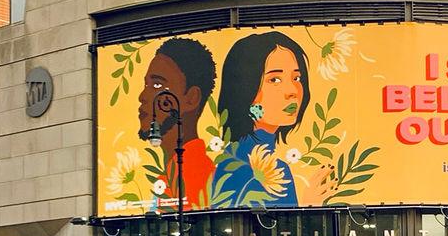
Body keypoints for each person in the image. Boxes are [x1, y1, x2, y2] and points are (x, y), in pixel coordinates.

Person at [210, 31, 334, 208]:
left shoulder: (234, 158)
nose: (292, 90)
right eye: (275, 79)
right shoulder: (259, 168)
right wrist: (308, 208)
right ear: (245, 90)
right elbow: (284, 233)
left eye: (296, 78)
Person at [136, 36, 218, 209]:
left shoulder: (196, 175)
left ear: (191, 98)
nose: (142, 96)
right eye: (146, 84)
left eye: (157, 85)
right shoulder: (171, 173)